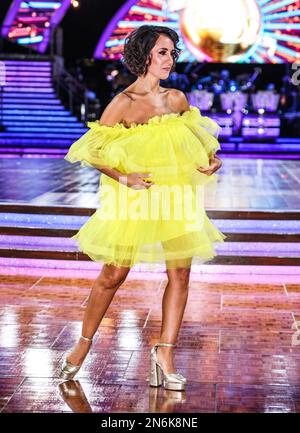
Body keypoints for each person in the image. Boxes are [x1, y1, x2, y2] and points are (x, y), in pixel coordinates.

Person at [60, 25, 225, 391]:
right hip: (135, 199)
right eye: (163, 52)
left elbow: (201, 142)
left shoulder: (177, 99)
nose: (170, 59)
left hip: (176, 197)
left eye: (172, 53)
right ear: (145, 54)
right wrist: (125, 178)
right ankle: (82, 345)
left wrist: (214, 161)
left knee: (180, 274)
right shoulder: (124, 103)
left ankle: (164, 354)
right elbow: (92, 151)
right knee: (113, 275)